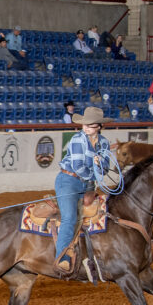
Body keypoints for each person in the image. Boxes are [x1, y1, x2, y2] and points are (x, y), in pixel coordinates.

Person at [53, 105, 112, 273]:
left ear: (100, 126)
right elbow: (78, 167)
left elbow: (106, 168)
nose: (86, 128)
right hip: (68, 181)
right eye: (85, 124)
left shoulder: (104, 143)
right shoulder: (78, 139)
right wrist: (95, 175)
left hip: (87, 183)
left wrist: (100, 165)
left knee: (99, 214)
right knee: (69, 217)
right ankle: (62, 258)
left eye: (90, 125)